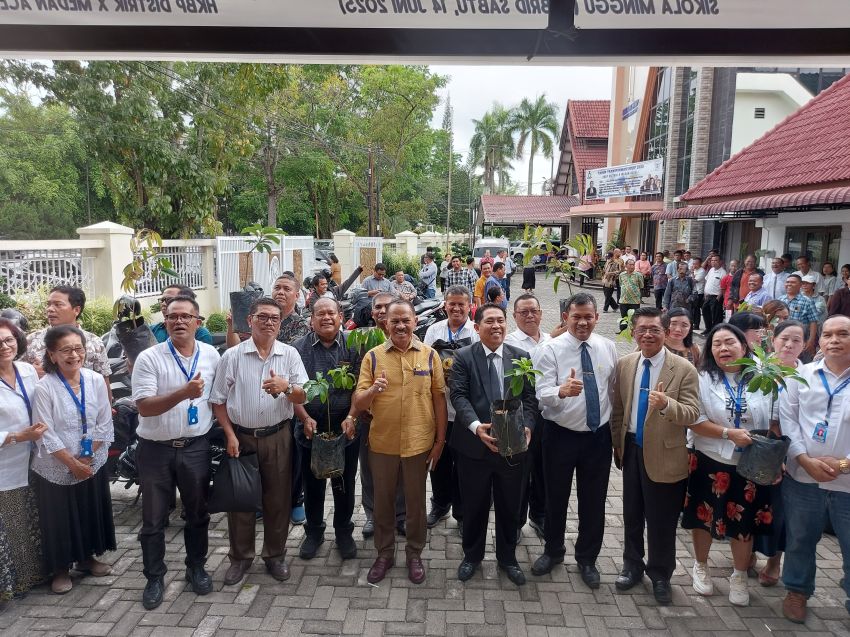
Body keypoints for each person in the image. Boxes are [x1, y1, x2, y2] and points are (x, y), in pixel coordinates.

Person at [210, 297, 308, 585]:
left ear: (281, 323)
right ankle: (240, 558)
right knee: (241, 500)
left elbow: (304, 395)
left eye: (274, 318)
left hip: (278, 437)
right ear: (250, 320)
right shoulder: (233, 356)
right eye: (262, 317)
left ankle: (275, 556)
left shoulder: (289, 354)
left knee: (278, 500)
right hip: (242, 438)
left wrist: (286, 387)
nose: (269, 322)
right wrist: (229, 434)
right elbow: (218, 400)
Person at [131, 296, 220, 609]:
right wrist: (184, 393)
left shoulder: (211, 354)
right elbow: (144, 406)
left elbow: (219, 397)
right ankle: (154, 577)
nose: (179, 321)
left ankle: (196, 567)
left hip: (196, 447)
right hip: (156, 450)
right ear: (165, 322)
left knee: (197, 513)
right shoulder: (149, 358)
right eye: (172, 317)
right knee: (153, 519)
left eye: (185, 316)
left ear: (198, 322)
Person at [353, 300, 447, 585]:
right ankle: (384, 554)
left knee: (416, 503)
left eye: (406, 320)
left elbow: (439, 399)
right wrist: (373, 390)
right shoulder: (373, 357)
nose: (401, 325)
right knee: (383, 502)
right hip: (383, 443)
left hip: (419, 443)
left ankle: (414, 553)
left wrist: (440, 441)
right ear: (386, 323)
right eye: (395, 321)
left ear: (415, 321)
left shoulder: (430, 356)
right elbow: (359, 402)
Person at [611, 308, 700, 604]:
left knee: (661, 520)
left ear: (666, 332)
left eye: (654, 330)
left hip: (665, 454)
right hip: (632, 450)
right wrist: (617, 444)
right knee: (632, 513)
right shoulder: (625, 364)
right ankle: (632, 566)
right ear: (633, 332)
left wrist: (666, 404)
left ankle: (661, 574)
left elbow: (692, 413)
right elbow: (619, 408)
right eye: (642, 329)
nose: (648, 335)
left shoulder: (683, 369)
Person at [682, 324, 774, 607]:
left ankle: (739, 575)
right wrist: (728, 433)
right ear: (710, 350)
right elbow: (694, 420)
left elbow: (775, 419)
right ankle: (700, 565)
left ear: (743, 346)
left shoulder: (763, 377)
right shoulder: (701, 378)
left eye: (730, 342)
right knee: (703, 518)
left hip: (751, 465)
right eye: (717, 344)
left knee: (743, 522)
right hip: (710, 460)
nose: (723, 348)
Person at [531, 293, 618, 588]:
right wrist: (561, 391)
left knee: (593, 501)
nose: (582, 322)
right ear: (565, 317)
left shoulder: (608, 347)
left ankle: (587, 558)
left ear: (597, 318)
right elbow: (540, 392)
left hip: (597, 438)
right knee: (555, 497)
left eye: (588, 317)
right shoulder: (549, 349)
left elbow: (612, 390)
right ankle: (553, 551)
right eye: (576, 316)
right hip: (560, 435)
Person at [449, 304, 537, 586]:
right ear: (477, 327)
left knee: (510, 506)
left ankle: (507, 558)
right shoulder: (464, 356)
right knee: (474, 506)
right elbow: (459, 396)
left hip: (512, 447)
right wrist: (476, 427)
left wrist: (528, 426)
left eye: (500, 320)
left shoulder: (521, 357)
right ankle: (472, 556)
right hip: (474, 448)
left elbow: (530, 399)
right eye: (489, 321)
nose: (496, 326)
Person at [31, 325, 115, 594]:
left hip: (91, 461)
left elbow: (104, 421)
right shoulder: (44, 387)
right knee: (60, 518)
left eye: (78, 348)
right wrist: (72, 463)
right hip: (56, 465)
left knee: (88, 510)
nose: (74, 355)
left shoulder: (94, 380)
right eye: (65, 350)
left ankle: (87, 559)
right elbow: (45, 433)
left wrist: (86, 459)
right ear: (52, 355)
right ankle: (60, 569)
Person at [779, 314, 850, 623]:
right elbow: (788, 421)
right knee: (800, 538)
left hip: (847, 484)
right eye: (828, 334)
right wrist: (804, 460)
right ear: (819, 341)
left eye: (843, 334)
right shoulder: (801, 375)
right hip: (803, 478)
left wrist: (845, 463)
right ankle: (797, 591)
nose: (834, 340)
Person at [291, 299, 363, 561]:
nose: (326, 318)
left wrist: (352, 416)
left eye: (331, 313)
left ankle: (343, 531)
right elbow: (292, 389)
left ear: (340, 316)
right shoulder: (298, 348)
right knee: (312, 483)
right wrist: (304, 417)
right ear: (311, 319)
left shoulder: (354, 345)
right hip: (310, 428)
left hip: (346, 429)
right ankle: (314, 532)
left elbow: (360, 386)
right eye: (320, 313)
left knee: (344, 482)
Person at [751, 319, 806, 589]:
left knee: (780, 510)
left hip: (790, 451)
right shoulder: (757, 370)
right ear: (773, 340)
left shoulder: (807, 377)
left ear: (804, 345)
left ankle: (774, 561)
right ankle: (748, 552)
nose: (789, 345)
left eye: (796, 340)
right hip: (757, 446)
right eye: (784, 338)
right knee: (752, 502)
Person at [423, 286, 478, 533]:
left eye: (461, 304)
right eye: (451, 304)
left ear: (469, 306)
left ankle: (463, 512)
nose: (456, 308)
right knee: (439, 461)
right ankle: (440, 504)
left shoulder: (476, 331)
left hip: (467, 413)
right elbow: (425, 363)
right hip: (439, 409)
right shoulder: (434, 330)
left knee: (465, 466)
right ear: (445, 305)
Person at [0, 318, 47, 599]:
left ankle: (35, 575)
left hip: (36, 459)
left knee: (31, 520)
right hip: (6, 466)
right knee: (11, 524)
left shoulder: (28, 370)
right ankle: (11, 584)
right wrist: (18, 436)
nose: (4, 346)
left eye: (8, 340)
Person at [358, 292, 406, 539]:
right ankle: (372, 514)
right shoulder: (360, 339)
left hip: (400, 418)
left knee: (402, 469)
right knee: (369, 469)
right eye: (378, 307)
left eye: (388, 306)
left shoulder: (407, 337)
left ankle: (401, 515)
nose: (382, 311)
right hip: (368, 418)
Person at [505, 294, 550, 538]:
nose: (530, 316)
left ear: (541, 313)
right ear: (515, 316)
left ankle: (539, 516)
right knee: (519, 474)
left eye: (534, 311)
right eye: (523, 312)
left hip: (549, 416)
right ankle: (516, 521)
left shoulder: (552, 341)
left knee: (543, 470)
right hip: (519, 417)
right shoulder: (509, 343)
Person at [22, 286, 111, 394]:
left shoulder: (94, 343)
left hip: (85, 403)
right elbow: (15, 378)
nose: (50, 309)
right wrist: (32, 373)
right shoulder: (31, 341)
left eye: (58, 304)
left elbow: (104, 386)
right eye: (48, 304)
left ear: (76, 310)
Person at [778, 274, 819, 361]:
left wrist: (811, 341)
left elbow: (813, 322)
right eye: (787, 282)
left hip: (800, 339)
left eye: (793, 282)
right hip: (783, 338)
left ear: (800, 285)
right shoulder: (780, 299)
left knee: (801, 363)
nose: (789, 284)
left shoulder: (807, 301)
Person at [618, 258, 644, 330]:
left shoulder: (638, 275)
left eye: (633, 265)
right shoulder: (622, 275)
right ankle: (623, 331)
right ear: (626, 265)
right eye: (630, 265)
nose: (632, 266)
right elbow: (621, 284)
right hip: (624, 300)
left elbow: (641, 286)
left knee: (634, 317)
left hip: (634, 300)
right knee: (624, 317)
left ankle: (633, 331)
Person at [703, 255, 727, 332]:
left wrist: (719, 297)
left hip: (716, 297)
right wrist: (705, 292)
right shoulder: (711, 270)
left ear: (720, 262)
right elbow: (707, 280)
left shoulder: (723, 272)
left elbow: (723, 286)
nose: (713, 262)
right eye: (712, 260)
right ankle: (708, 329)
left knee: (716, 315)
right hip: (708, 296)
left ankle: (715, 331)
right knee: (705, 311)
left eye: (715, 260)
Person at [690, 257, 706, 330]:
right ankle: (693, 323)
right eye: (693, 263)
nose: (694, 265)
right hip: (693, 292)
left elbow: (694, 281)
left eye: (696, 264)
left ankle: (696, 325)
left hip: (699, 292)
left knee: (696, 309)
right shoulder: (694, 270)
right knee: (692, 309)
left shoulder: (702, 271)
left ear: (700, 264)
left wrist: (692, 273)